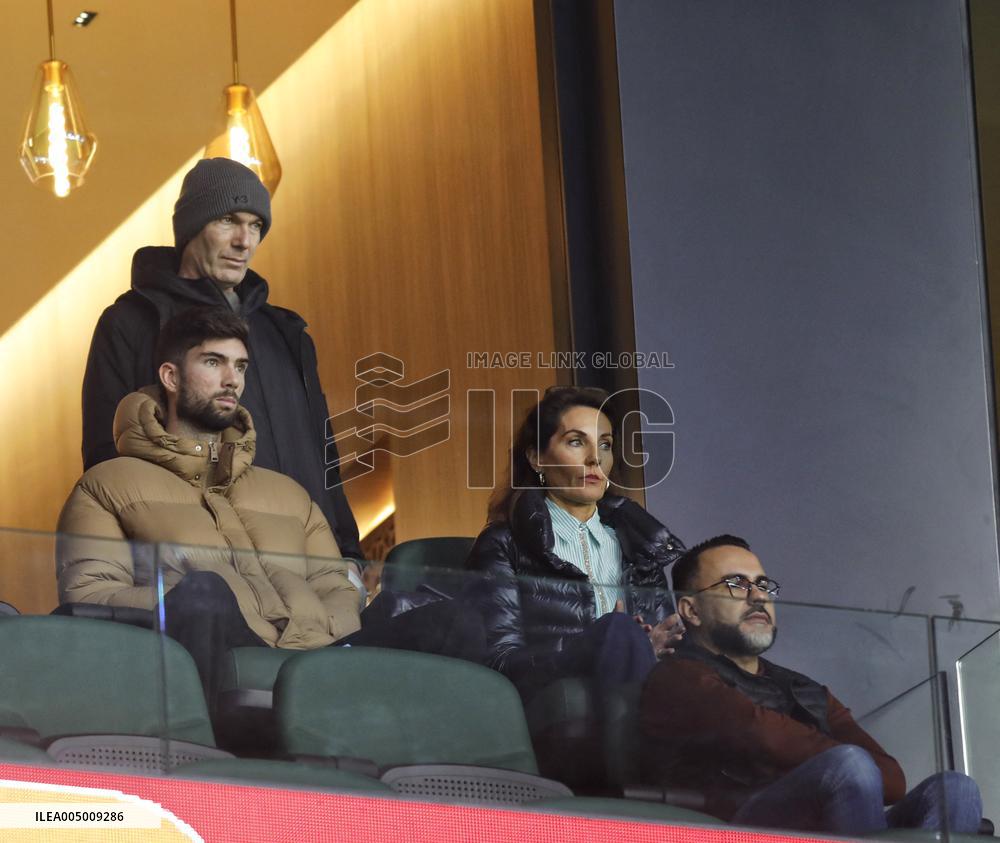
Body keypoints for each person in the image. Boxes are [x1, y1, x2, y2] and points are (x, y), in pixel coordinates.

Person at [58, 308, 482, 703]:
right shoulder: (107, 485)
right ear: (170, 376)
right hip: (214, 671)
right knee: (205, 591)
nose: (232, 380)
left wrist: (318, 641)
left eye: (241, 366)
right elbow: (91, 595)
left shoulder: (290, 494)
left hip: (321, 659)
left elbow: (337, 587)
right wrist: (191, 602)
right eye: (213, 362)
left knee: (452, 619)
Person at [80, 157, 362, 561]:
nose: (244, 241)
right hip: (203, 569)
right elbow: (105, 462)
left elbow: (325, 457)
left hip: (312, 561)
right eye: (228, 220)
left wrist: (350, 554)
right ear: (191, 228)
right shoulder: (130, 324)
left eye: (256, 225)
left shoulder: (285, 333)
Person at [640, 534, 983, 835]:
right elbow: (760, 734)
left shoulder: (804, 689)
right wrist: (832, 759)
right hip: (735, 832)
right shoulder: (678, 677)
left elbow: (893, 780)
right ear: (692, 611)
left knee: (955, 789)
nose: (758, 597)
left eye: (763, 585)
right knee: (849, 765)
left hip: (828, 825)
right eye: (736, 584)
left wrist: (819, 759)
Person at [465, 385, 686, 703]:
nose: (595, 458)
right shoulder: (504, 544)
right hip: (554, 707)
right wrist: (594, 647)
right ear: (536, 458)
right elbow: (497, 663)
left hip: (643, 703)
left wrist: (646, 650)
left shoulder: (640, 544)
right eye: (576, 441)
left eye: (605, 444)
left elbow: (670, 647)